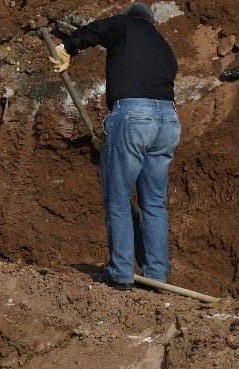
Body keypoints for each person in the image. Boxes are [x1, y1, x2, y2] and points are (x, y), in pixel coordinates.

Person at [50, 2, 180, 290]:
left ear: (131, 17)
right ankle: (155, 277)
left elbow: (98, 30)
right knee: (154, 203)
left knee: (118, 198)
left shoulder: (124, 24)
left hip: (133, 117)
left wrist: (67, 48)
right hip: (168, 121)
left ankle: (121, 273)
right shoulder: (164, 47)